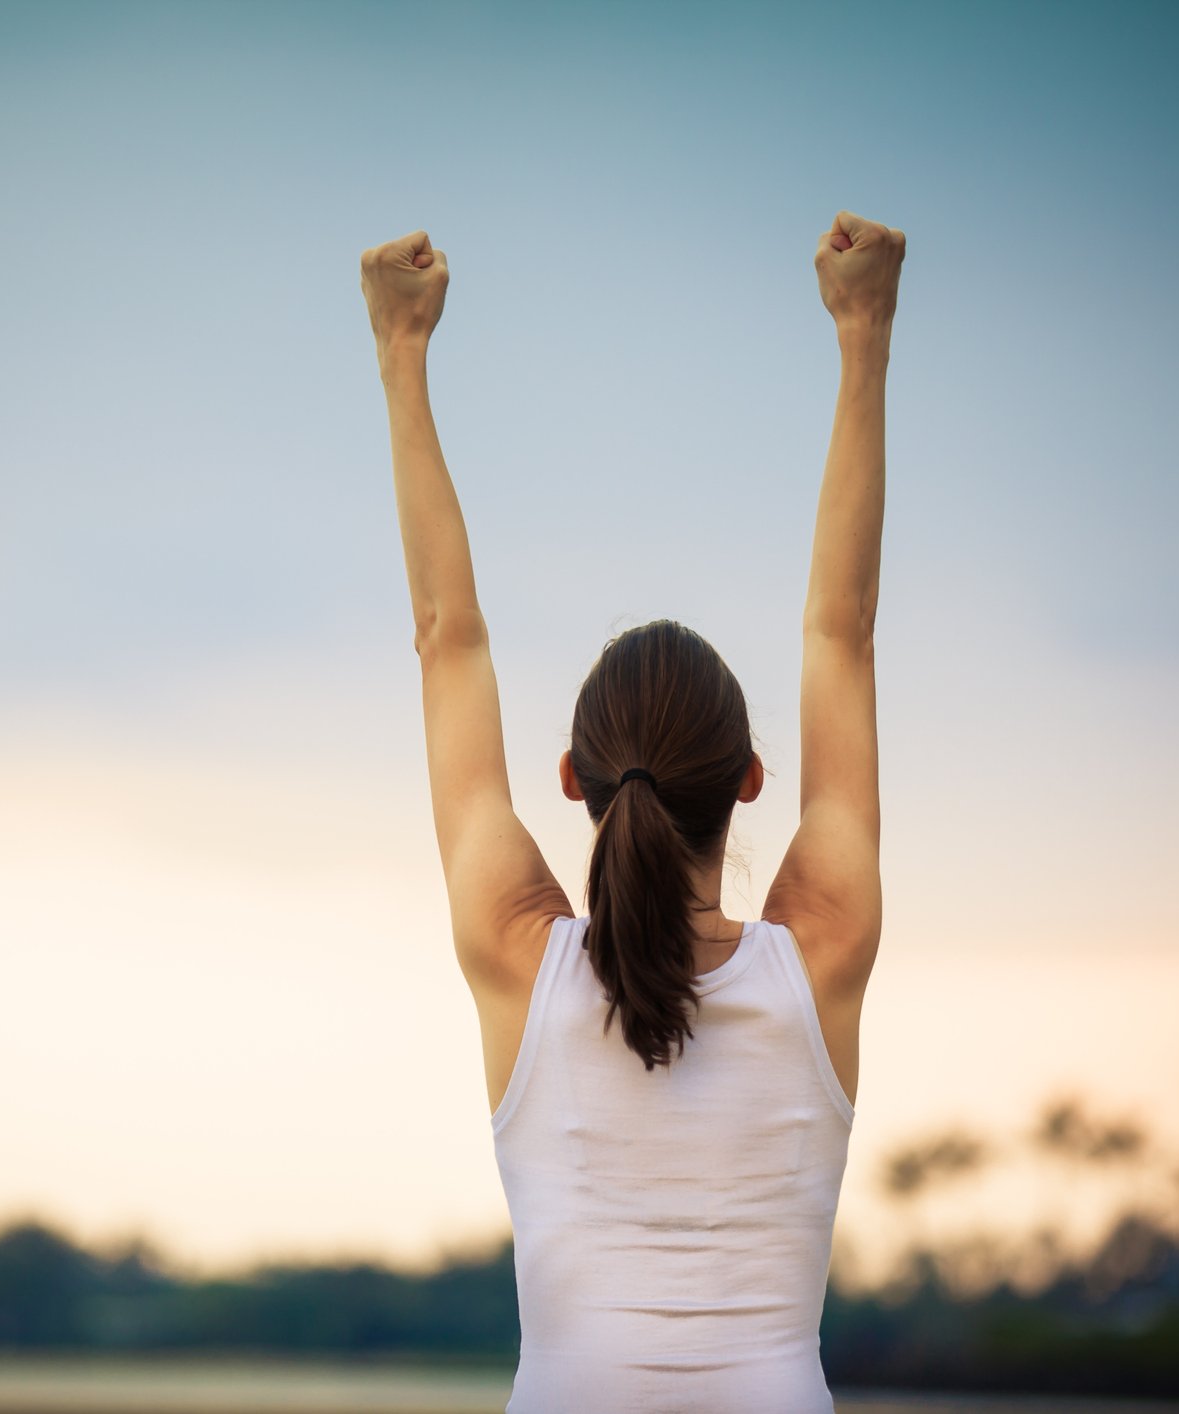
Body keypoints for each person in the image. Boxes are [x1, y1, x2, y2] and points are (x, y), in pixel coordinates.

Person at [360, 210, 903, 1412]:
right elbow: (841, 634)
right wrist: (862, 334)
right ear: (751, 779)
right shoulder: (818, 958)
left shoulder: (520, 960)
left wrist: (403, 353)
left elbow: (447, 641)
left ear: (573, 778)